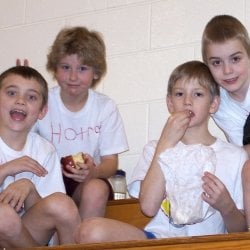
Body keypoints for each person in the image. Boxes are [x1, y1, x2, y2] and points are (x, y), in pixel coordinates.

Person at [74, 60, 248, 243]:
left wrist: (226, 206)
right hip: (159, 240)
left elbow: (241, 230)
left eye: (198, 94)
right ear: (170, 103)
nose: (187, 102)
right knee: (88, 231)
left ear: (213, 104)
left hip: (208, 244)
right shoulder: (154, 148)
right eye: (180, 94)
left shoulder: (234, 156)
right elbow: (148, 207)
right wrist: (166, 141)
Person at [28, 26, 129, 219]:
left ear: (96, 73)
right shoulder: (42, 101)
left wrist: (94, 171)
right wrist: (26, 96)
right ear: (54, 69)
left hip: (86, 182)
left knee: (96, 188)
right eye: (66, 67)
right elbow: (21, 141)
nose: (73, 77)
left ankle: (85, 240)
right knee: (55, 200)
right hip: (47, 180)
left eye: (82, 68)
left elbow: (111, 162)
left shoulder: (104, 107)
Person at [0, 66, 81, 248]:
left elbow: (47, 211)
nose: (20, 101)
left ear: (42, 111)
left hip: (27, 233)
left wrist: (29, 189)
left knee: (63, 205)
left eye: (31, 97)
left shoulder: (45, 150)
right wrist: (6, 169)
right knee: (4, 215)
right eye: (12, 93)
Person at [201, 14, 250, 155]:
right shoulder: (219, 105)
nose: (227, 71)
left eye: (235, 59)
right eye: (217, 62)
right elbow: (243, 154)